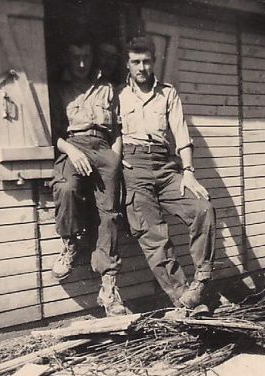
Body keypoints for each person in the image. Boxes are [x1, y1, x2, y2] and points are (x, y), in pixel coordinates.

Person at [118, 36, 216, 310]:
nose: (141, 67)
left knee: (202, 208)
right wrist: (118, 163)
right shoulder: (118, 96)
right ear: (127, 63)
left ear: (154, 61)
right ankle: (184, 299)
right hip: (133, 166)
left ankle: (201, 281)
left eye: (146, 61)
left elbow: (181, 135)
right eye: (135, 61)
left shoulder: (168, 93)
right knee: (153, 235)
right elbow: (110, 135)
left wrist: (189, 172)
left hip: (165, 166)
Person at [49, 39, 125, 316]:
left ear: (93, 57)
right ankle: (70, 244)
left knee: (110, 213)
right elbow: (53, 133)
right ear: (68, 58)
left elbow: (117, 129)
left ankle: (108, 285)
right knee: (67, 188)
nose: (81, 64)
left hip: (104, 148)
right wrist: (71, 150)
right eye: (76, 56)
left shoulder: (107, 89)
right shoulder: (59, 89)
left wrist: (115, 158)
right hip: (73, 145)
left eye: (86, 56)